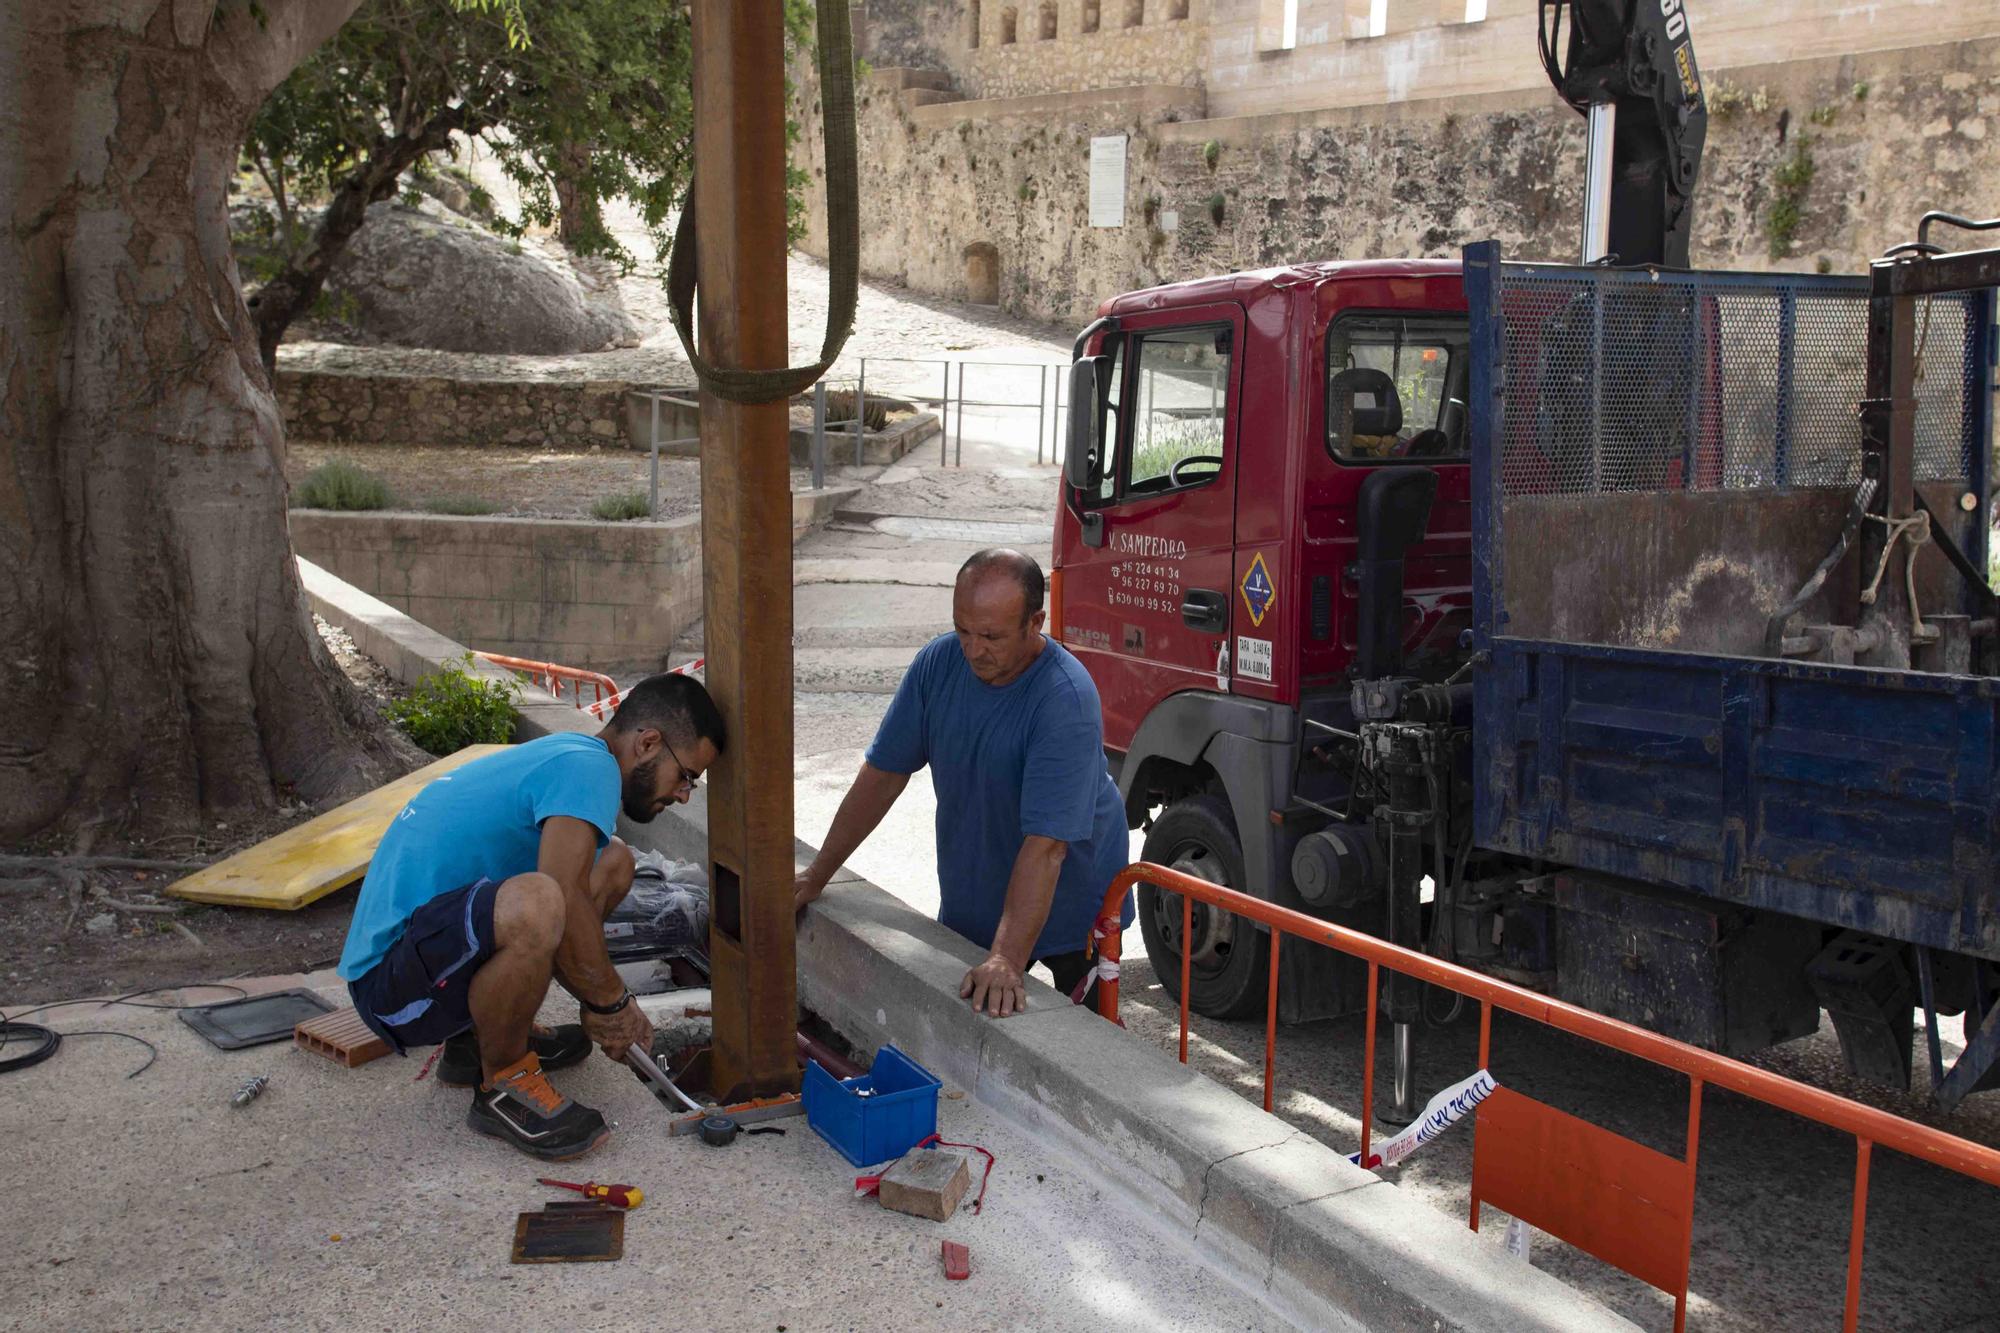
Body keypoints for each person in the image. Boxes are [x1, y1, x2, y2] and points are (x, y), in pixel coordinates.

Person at [337, 672, 726, 1162]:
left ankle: (475, 1041)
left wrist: (598, 998)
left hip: (425, 958)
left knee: (614, 862)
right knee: (542, 899)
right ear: (648, 743)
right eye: (687, 776)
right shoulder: (591, 771)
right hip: (389, 987)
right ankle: (504, 1081)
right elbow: (559, 894)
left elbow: (574, 893)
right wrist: (611, 1003)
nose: (686, 794)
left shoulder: (573, 754)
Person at [794, 549, 1133, 1017]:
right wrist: (817, 874)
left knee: (1088, 1040)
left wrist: (1006, 959)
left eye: (992, 636)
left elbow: (1047, 846)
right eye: (963, 630)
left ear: (1035, 623)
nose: (974, 650)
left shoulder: (1065, 699)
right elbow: (882, 774)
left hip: (1074, 900)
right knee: (964, 1014)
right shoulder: (937, 664)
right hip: (978, 887)